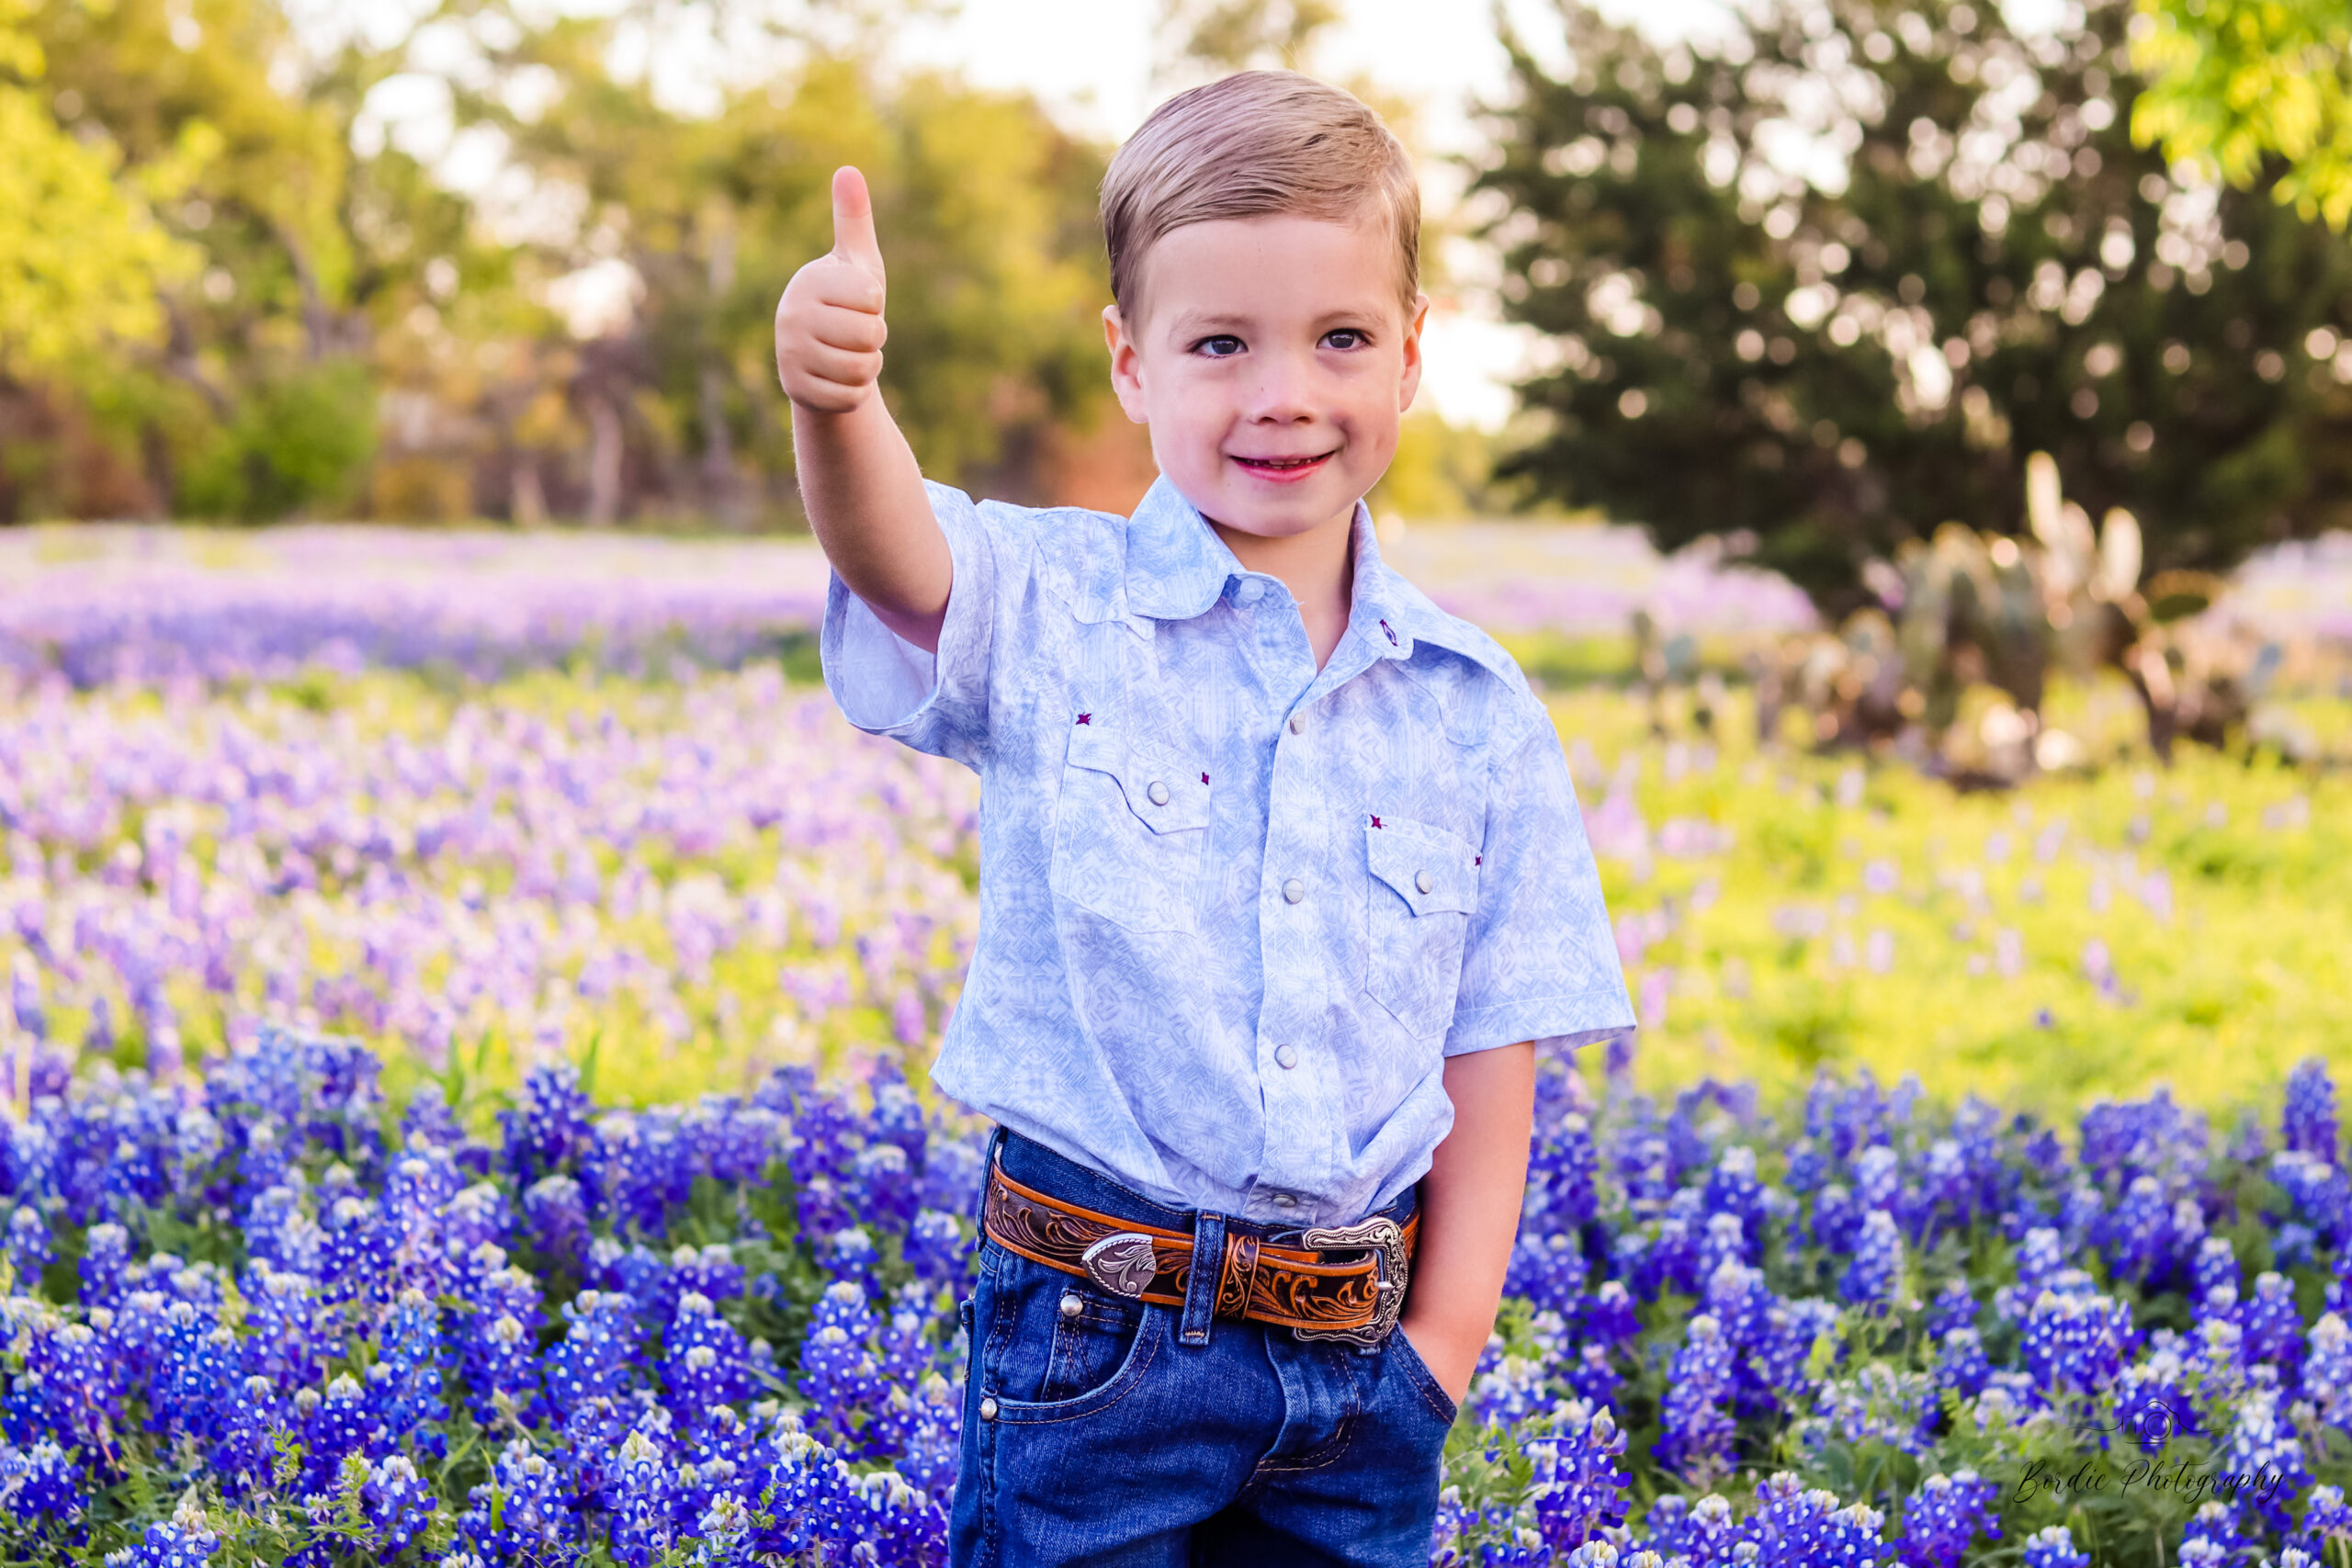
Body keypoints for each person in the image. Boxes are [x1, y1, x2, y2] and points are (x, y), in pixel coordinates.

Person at [776, 68, 1632, 1568]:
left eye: (1340, 338)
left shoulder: (1478, 710)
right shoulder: (1058, 607)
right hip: (1094, 1343)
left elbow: (1494, 1052)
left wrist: (1440, 1356)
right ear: (1131, 362)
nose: (1282, 393)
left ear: (1413, 356)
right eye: (1221, 343)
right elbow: (905, 562)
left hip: (1364, 1370)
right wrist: (836, 406)